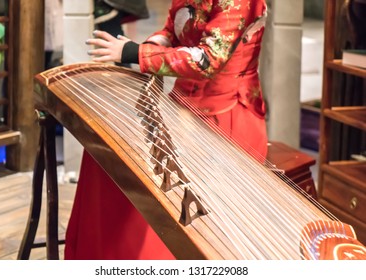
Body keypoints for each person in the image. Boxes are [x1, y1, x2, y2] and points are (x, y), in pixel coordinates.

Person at [65, 0, 268, 260]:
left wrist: (134, 53)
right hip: (183, 109)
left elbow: (207, 59)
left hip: (224, 116)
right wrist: (153, 44)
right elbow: (172, 31)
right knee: (105, 160)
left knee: (157, 205)